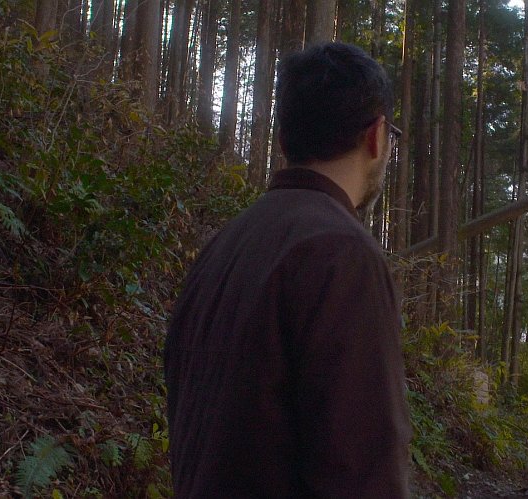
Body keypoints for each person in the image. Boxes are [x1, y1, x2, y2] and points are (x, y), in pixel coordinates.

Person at [164, 42, 411, 498]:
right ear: (377, 137)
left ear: (283, 140)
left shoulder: (224, 245)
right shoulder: (343, 254)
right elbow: (363, 473)